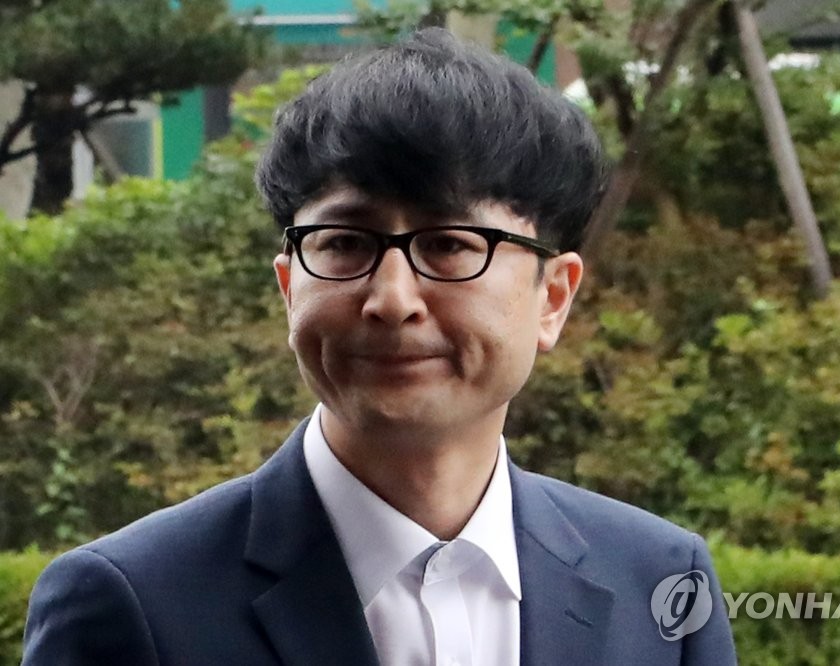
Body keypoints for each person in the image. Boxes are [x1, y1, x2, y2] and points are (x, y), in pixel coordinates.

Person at [22, 28, 736, 665]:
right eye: (344, 243)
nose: (392, 299)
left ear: (552, 298)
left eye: (450, 244)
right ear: (289, 287)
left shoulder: (660, 581)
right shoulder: (134, 603)